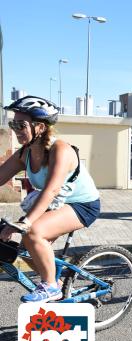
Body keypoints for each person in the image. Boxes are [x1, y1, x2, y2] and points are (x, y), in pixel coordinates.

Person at [0, 95, 101, 302]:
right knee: (27, 248)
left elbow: (51, 191)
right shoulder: (25, 154)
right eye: (13, 123)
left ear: (40, 127)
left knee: (33, 233)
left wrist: (25, 222)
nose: (16, 129)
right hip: (57, 203)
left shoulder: (60, 149)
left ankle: (51, 286)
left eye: (21, 124)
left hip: (82, 204)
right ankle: (59, 285)